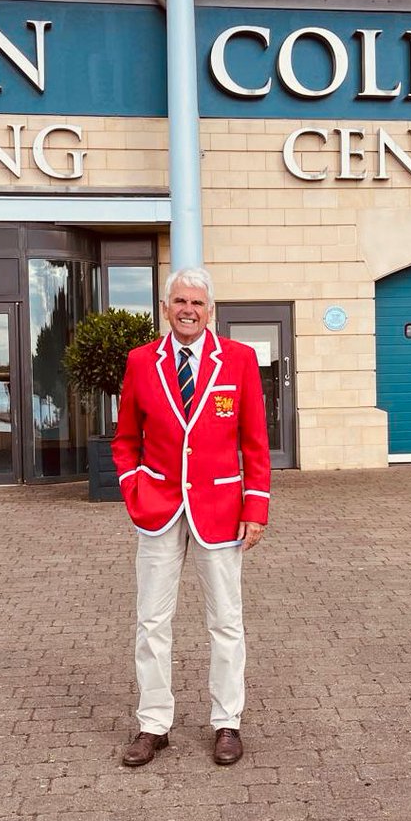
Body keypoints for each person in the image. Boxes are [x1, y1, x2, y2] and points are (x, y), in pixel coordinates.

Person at [112, 266, 271, 767]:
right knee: (151, 621)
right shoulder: (142, 362)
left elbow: (255, 442)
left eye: (197, 303)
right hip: (157, 508)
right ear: (165, 308)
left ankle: (228, 722)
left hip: (221, 509)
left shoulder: (239, 360)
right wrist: (131, 488)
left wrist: (257, 506)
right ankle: (153, 724)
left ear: (211, 310)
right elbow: (125, 439)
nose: (188, 310)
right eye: (179, 301)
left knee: (226, 621)